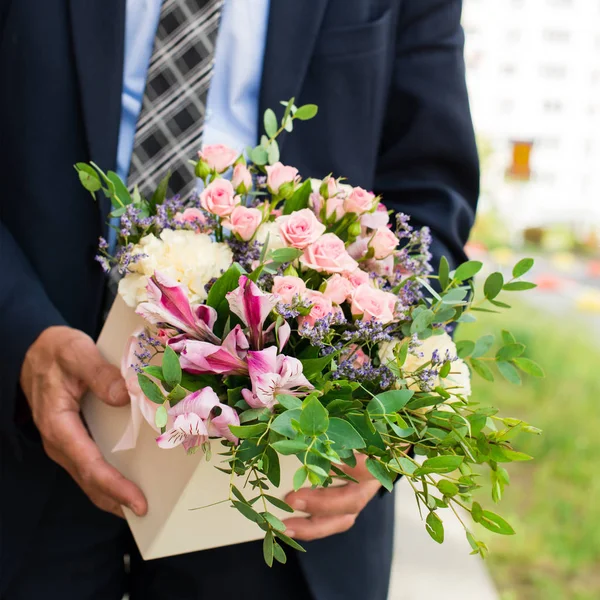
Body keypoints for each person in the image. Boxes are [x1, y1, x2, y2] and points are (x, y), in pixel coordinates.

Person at [0, 0, 479, 598]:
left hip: (283, 477)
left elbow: (429, 201)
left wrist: (383, 419)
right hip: (25, 446)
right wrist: (19, 331)